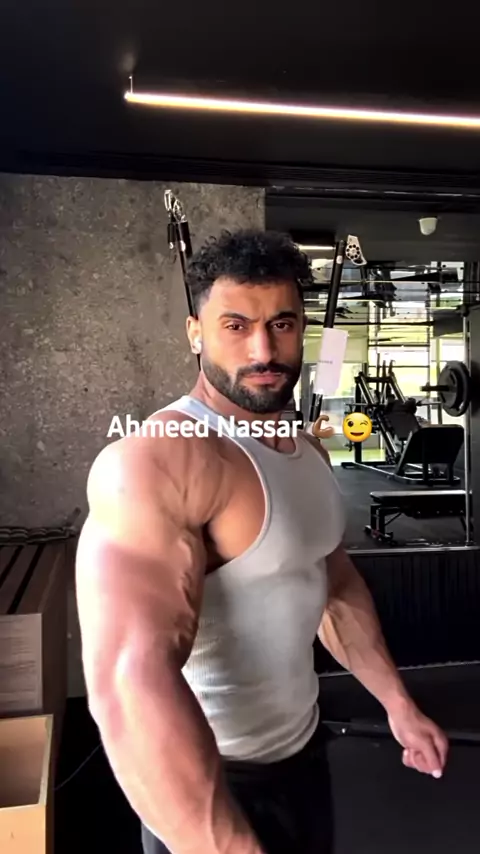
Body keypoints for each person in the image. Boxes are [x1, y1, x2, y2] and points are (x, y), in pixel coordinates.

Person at [75, 230, 448, 854]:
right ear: (196, 333)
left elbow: (333, 585)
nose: (263, 349)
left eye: (281, 324)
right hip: (204, 788)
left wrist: (397, 703)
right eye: (236, 326)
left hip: (303, 758)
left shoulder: (307, 451)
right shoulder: (158, 460)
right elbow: (129, 680)